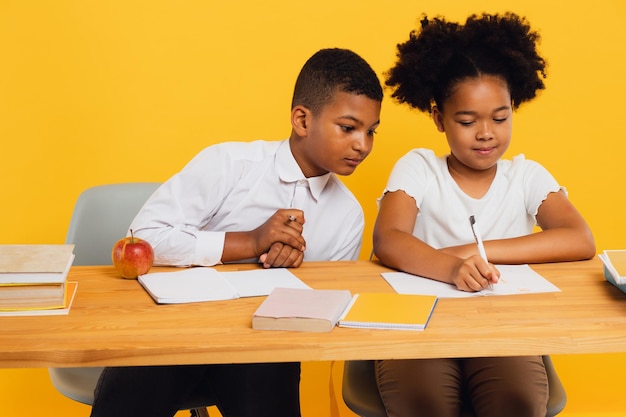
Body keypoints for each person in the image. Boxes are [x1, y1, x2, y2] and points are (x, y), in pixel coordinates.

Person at [90, 47, 383, 417]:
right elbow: (144, 238)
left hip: (261, 355)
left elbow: (325, 311)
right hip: (177, 338)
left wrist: (295, 270)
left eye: (371, 132)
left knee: (268, 367)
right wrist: (249, 241)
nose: (363, 144)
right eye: (349, 128)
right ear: (302, 120)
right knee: (134, 388)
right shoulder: (229, 165)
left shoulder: (348, 215)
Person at [373, 13, 595, 417]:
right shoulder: (418, 167)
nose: (486, 133)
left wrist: (475, 252)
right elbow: (388, 240)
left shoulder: (526, 175)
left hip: (503, 326)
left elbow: (580, 239)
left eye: (500, 117)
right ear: (439, 118)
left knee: (518, 401)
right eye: (467, 120)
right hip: (421, 321)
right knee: (426, 403)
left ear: (513, 109)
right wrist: (452, 268)